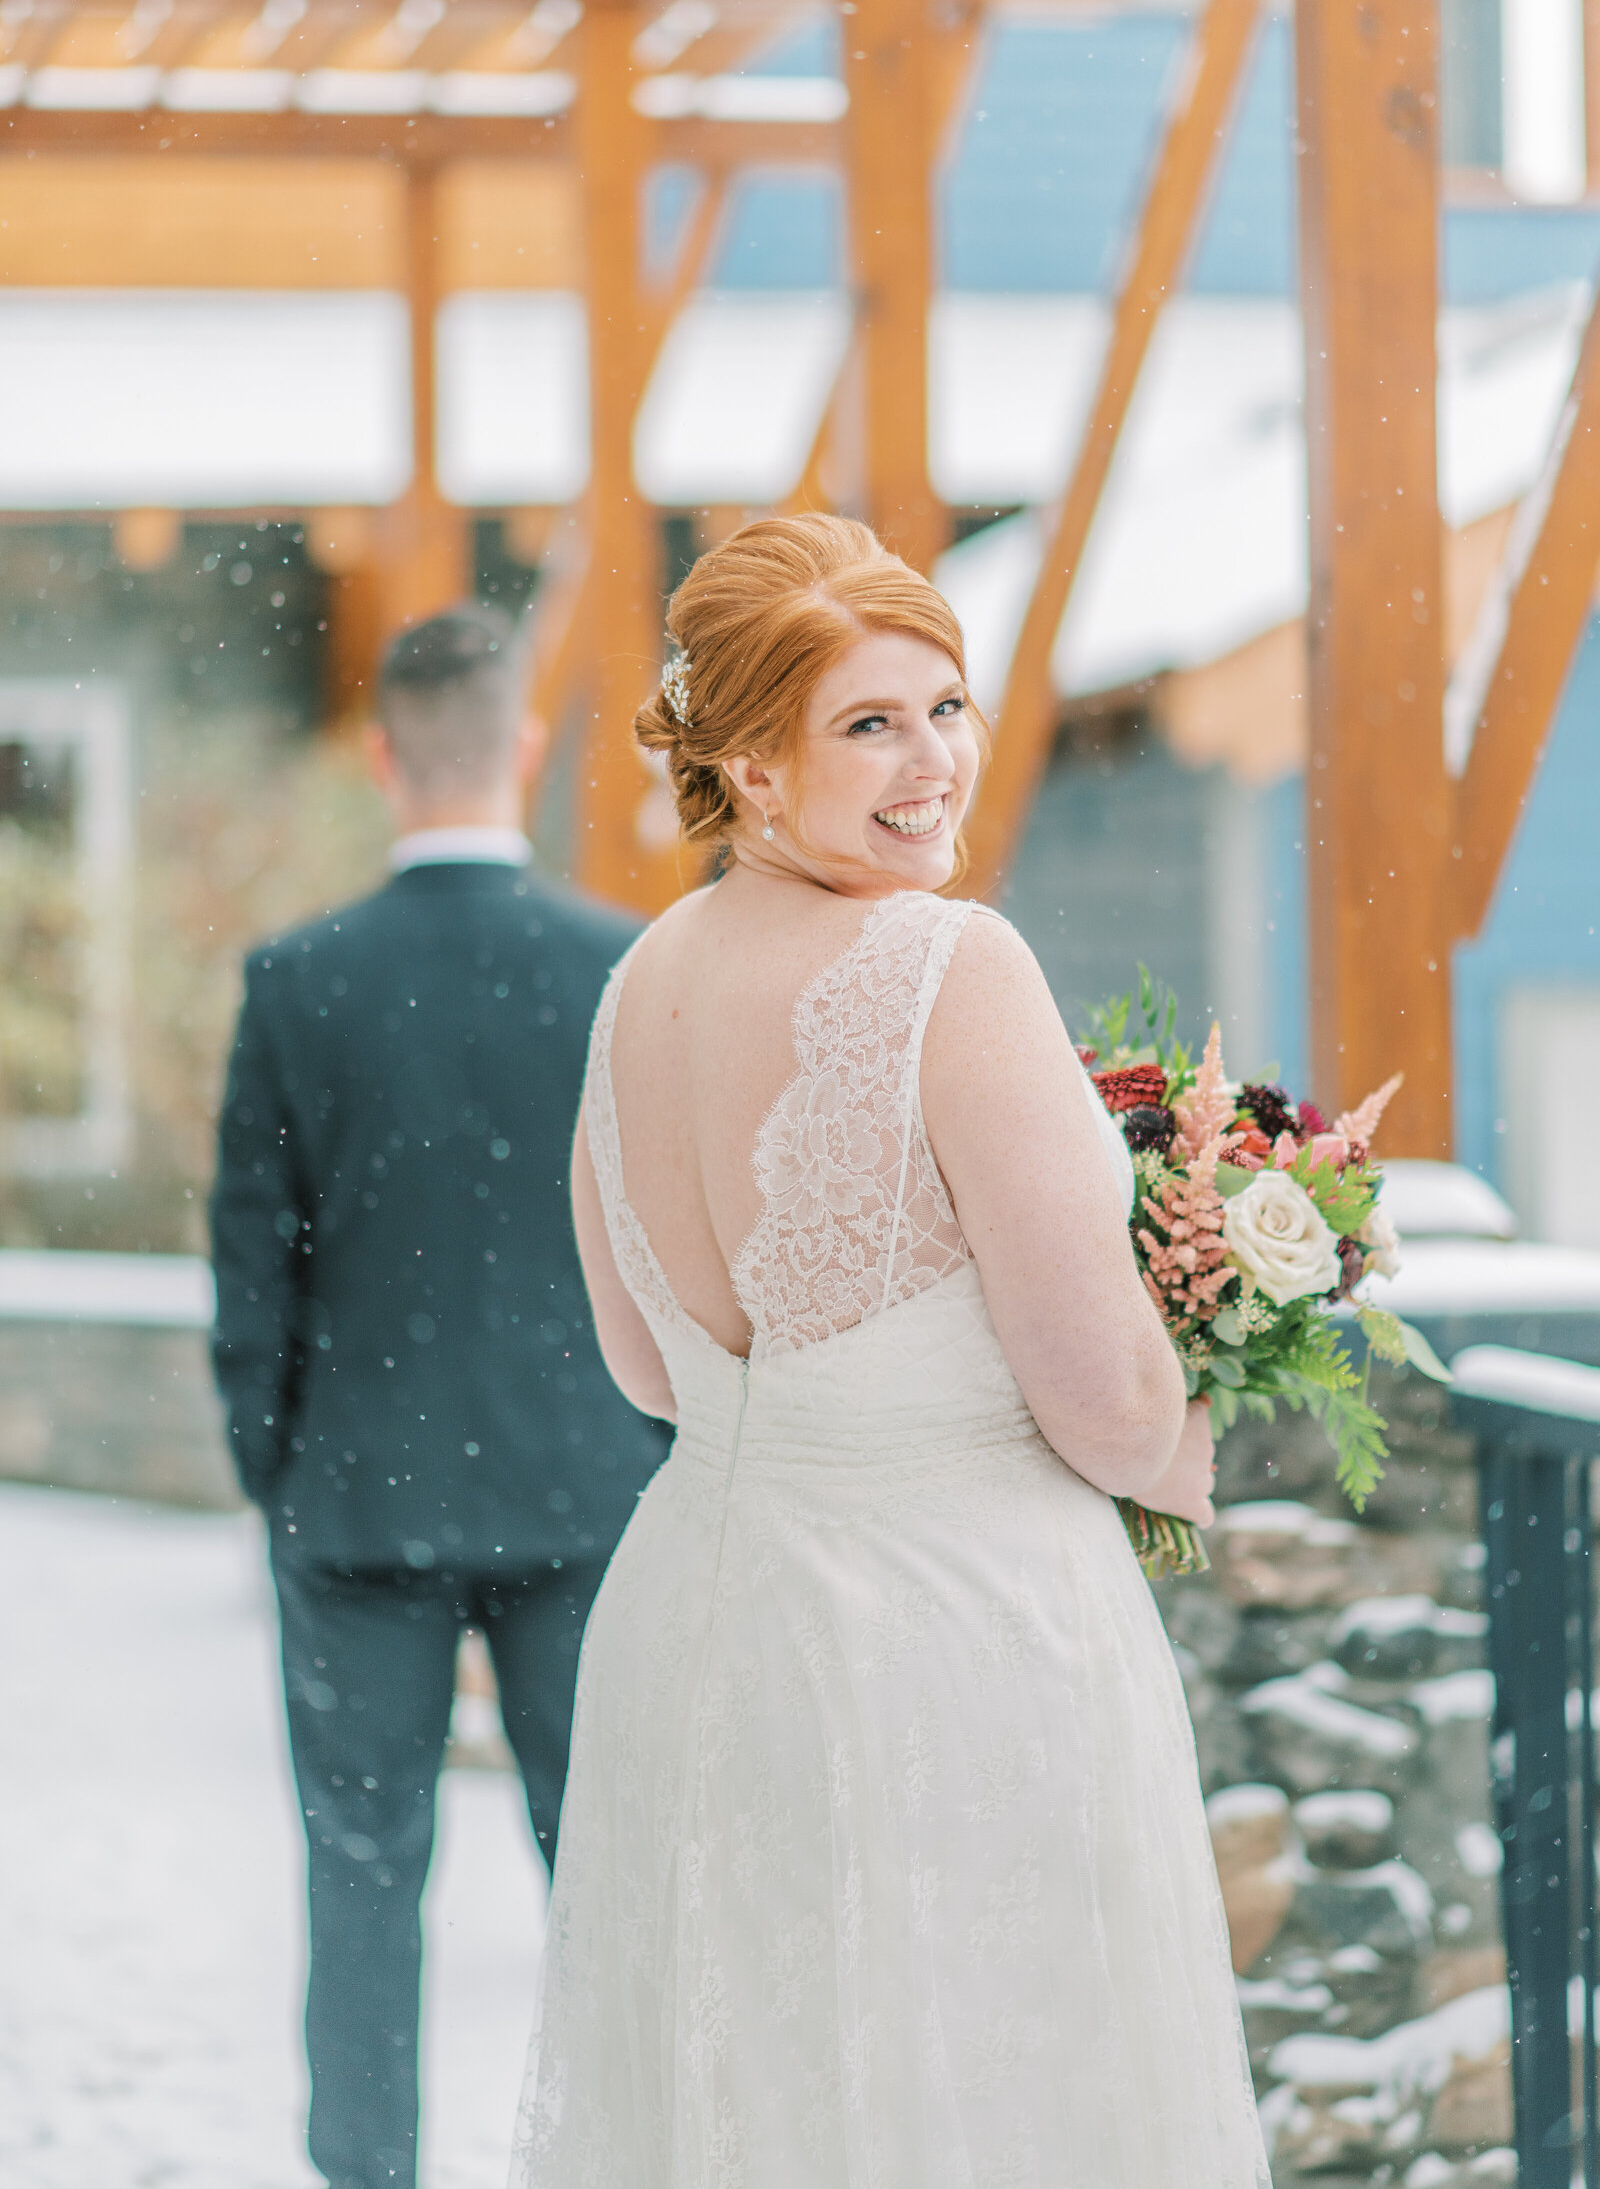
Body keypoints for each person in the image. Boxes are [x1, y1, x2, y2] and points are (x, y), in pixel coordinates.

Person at [511, 516, 1267, 2187]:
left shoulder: (633, 985)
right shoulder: (947, 964)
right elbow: (1110, 1398)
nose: (933, 761)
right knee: (986, 2104)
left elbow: (648, 1365)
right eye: (868, 723)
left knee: (754, 2104)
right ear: (753, 768)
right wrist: (1189, 1433)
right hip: (951, 1643)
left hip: (697, 1635)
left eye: (946, 703)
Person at [209, 604, 669, 2189]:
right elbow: (668, 1246)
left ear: (383, 754)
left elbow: (252, 1264)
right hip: (588, 1491)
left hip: (358, 1500)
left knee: (359, 1879)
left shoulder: (301, 978)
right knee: (608, 1882)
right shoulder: (617, 968)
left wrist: (278, 1467)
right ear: (526, 750)